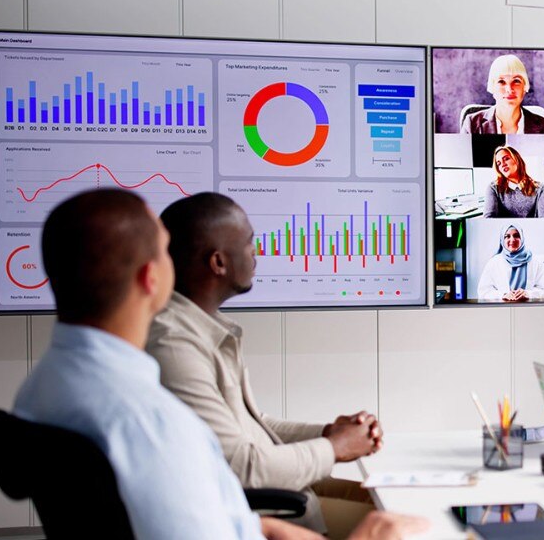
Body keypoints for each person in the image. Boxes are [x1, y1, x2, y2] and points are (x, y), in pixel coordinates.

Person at [11, 189, 426, 540]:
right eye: (165, 253)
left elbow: (223, 510)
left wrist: (270, 520)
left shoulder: (44, 385)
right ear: (151, 279)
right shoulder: (149, 415)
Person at [147, 193, 389, 536]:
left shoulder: (200, 327)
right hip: (272, 515)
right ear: (218, 262)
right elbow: (243, 466)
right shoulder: (174, 346)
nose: (256, 253)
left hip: (287, 497)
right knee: (412, 526)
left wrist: (327, 433)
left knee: (397, 505)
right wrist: (336, 447)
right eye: (249, 244)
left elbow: (253, 426)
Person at [460, 54, 544, 134]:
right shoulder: (471, 124)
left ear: (525, 86)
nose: (509, 89)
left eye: (516, 81)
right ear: (492, 87)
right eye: (501, 81)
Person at [476, 224, 544, 301]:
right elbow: (483, 292)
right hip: (502, 310)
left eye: (516, 235)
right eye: (507, 236)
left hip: (529, 310)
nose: (512, 240)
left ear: (522, 239)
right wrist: (503, 295)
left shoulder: (536, 261)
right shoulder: (493, 262)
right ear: (502, 240)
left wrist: (529, 294)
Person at [482, 145, 544, 218]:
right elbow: (488, 219)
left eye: (506, 159)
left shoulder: (540, 188)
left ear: (517, 159)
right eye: (499, 163)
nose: (503, 164)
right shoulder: (493, 188)